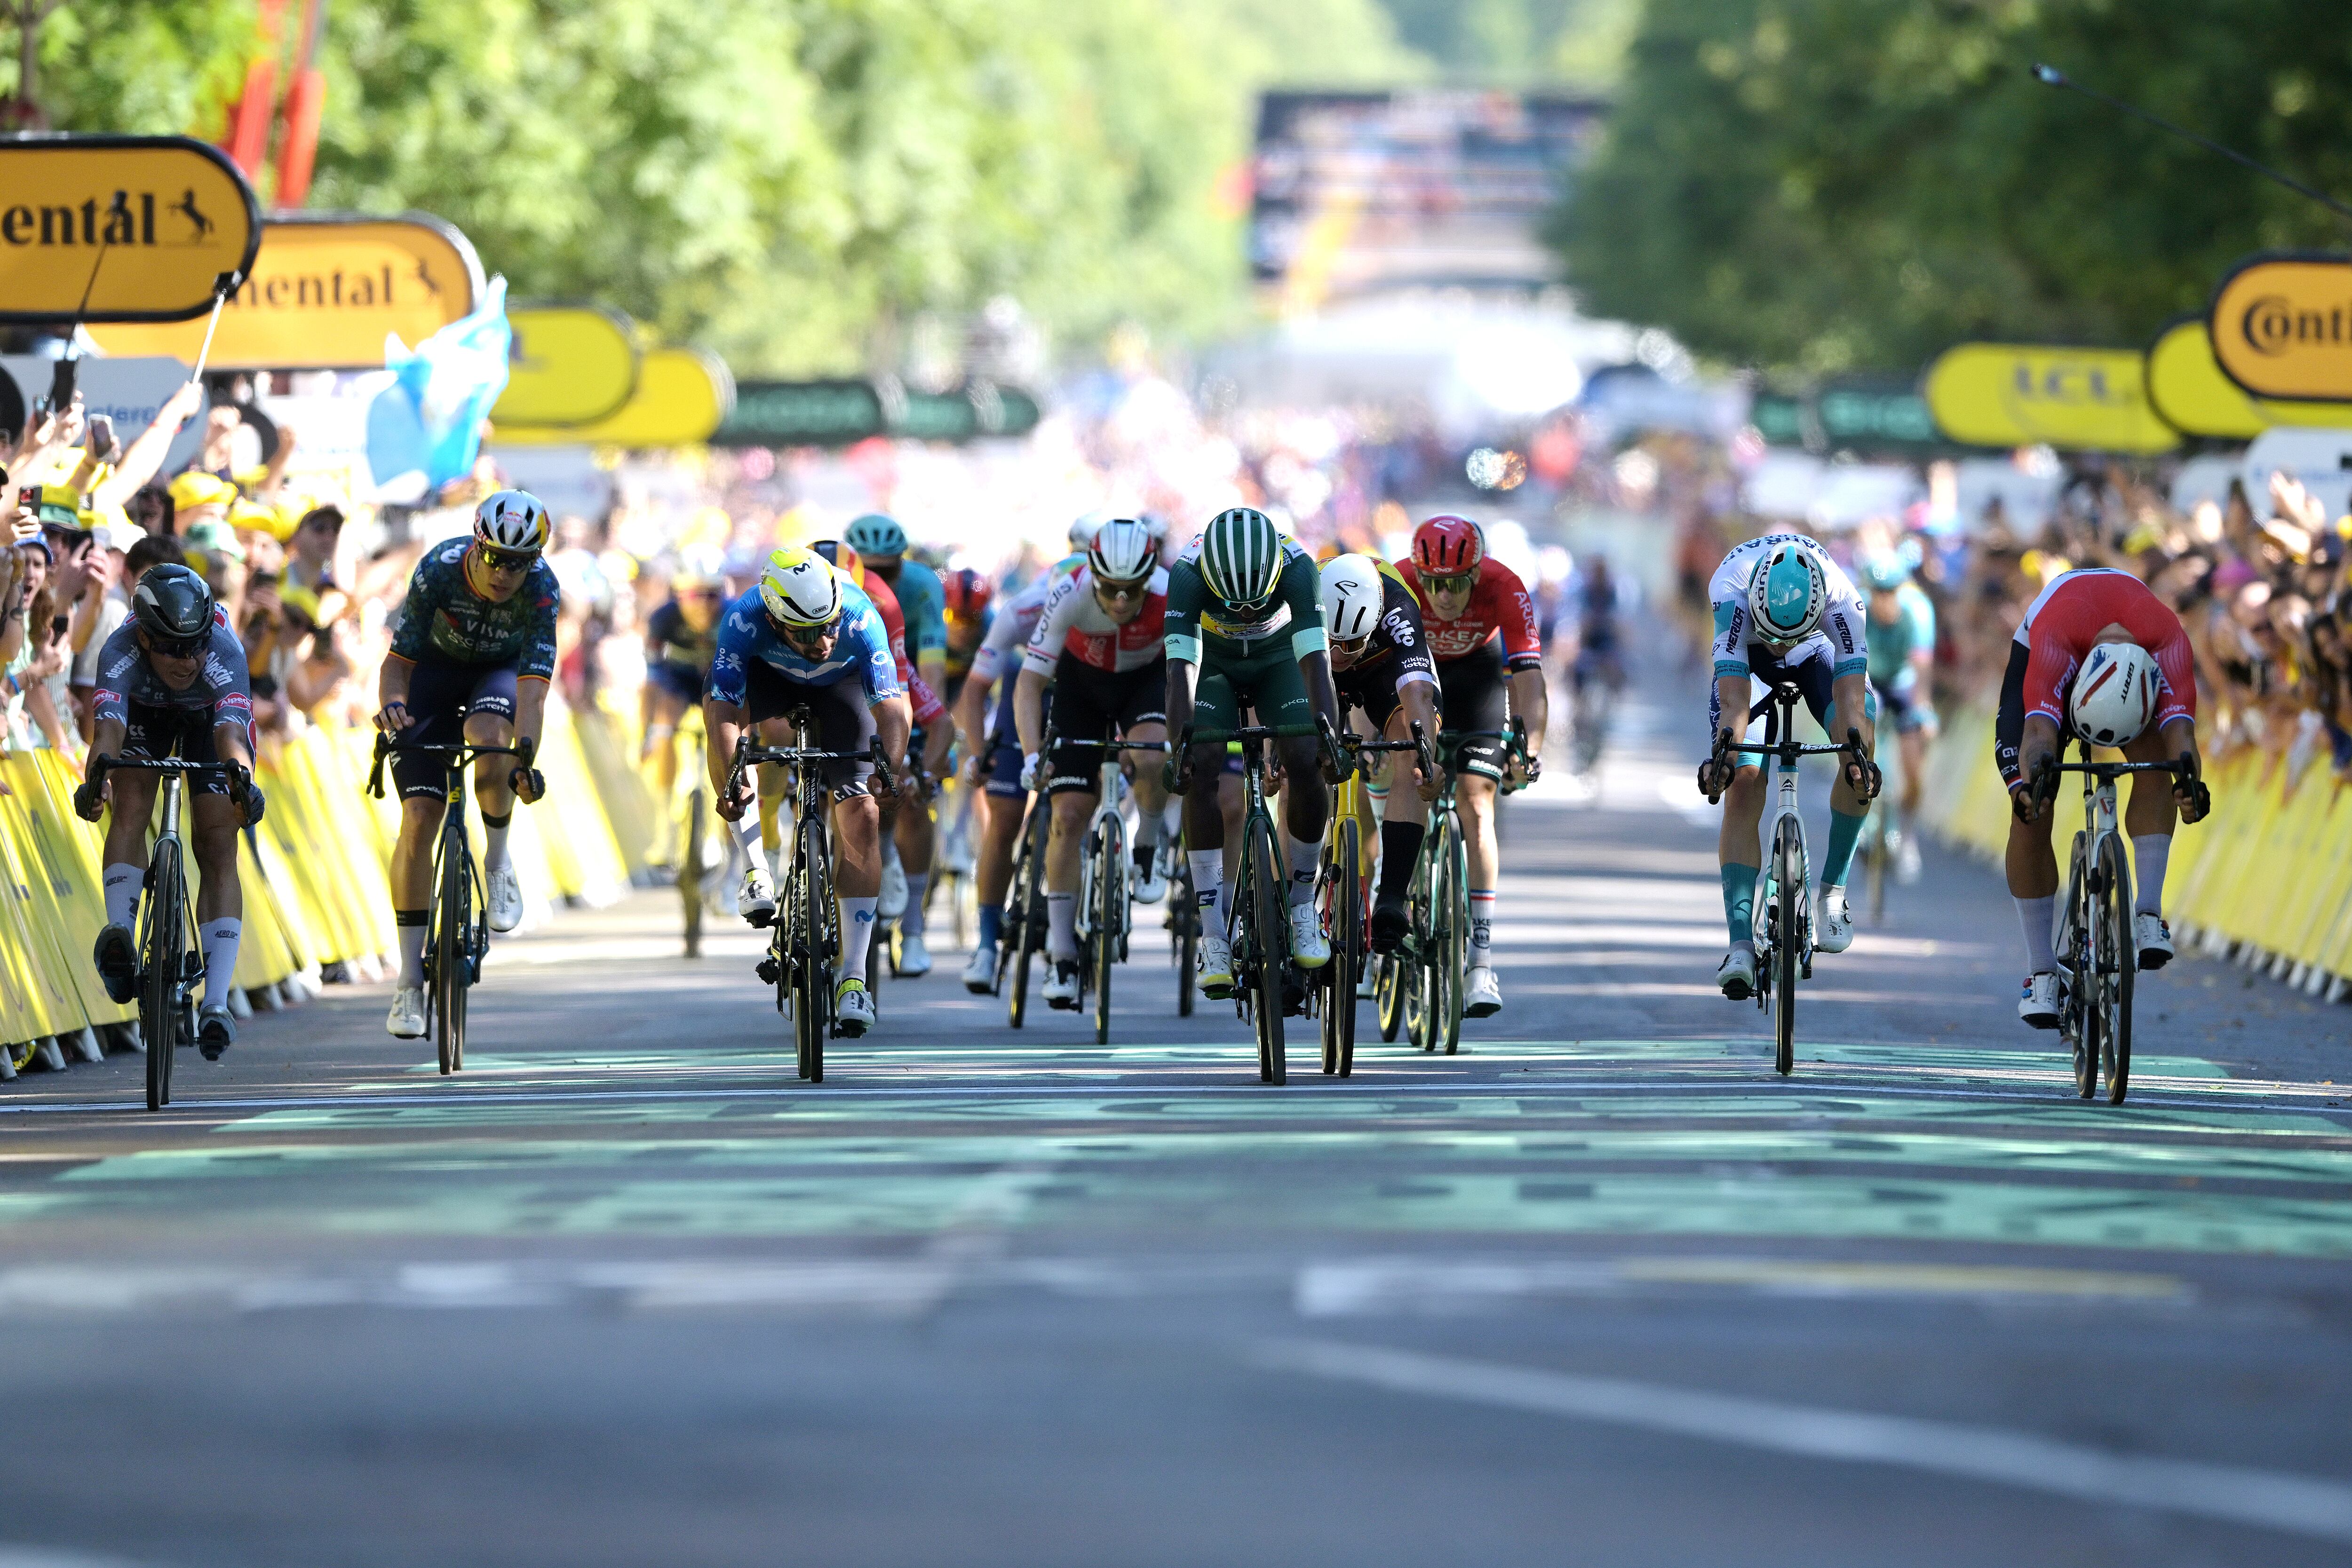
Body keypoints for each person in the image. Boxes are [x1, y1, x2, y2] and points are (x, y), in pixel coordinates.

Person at [705, 547, 917, 1036]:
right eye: (806, 632)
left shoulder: (861, 616)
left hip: (840, 691)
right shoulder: (744, 618)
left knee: (861, 814)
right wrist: (728, 776)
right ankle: (755, 868)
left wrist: (889, 768)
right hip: (770, 683)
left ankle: (854, 978)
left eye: (829, 626)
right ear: (776, 621)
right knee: (733, 749)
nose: (823, 640)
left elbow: (890, 708)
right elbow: (722, 709)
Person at [374, 491, 560, 1040]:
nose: (507, 573)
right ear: (479, 547)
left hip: (497, 677)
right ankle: (409, 981)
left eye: (521, 562)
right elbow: (397, 663)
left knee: (490, 736)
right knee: (419, 819)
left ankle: (498, 862)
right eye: (498, 558)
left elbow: (533, 695)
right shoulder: (438, 569)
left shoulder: (544, 590)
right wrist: (392, 708)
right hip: (432, 673)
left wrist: (524, 761)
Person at [1999, 566, 2209, 1027]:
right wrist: (2033, 782)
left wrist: (2188, 785)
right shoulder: (2056, 636)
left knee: (2158, 764)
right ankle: (2040, 972)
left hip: (2129, 662)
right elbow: (2035, 732)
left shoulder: (2165, 639)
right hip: (2050, 655)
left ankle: (2148, 914)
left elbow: (2181, 736)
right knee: (2031, 809)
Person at [76, 564, 263, 1059]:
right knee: (132, 799)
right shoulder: (119, 651)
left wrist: (242, 781)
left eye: (197, 644)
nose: (189, 659)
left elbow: (231, 738)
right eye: (174, 648)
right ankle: (120, 931)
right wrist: (95, 781)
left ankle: (216, 1003)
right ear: (145, 639)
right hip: (144, 714)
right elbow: (107, 736)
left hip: (209, 722)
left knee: (219, 840)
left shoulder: (223, 652)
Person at [1163, 506, 1344, 997]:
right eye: (1233, 604)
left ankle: (1303, 905)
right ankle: (1213, 934)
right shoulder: (1185, 575)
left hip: (1277, 659)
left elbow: (1315, 660)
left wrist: (1326, 734)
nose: (1244, 613)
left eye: (1255, 604)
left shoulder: (1298, 568)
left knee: (1305, 758)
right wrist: (1178, 747)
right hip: (1213, 667)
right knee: (1199, 768)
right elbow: (1179, 671)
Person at [1696, 533, 1880, 1001]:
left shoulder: (1843, 601)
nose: (1779, 647)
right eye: (1773, 635)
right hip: (1748, 663)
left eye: (1786, 637)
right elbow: (1735, 701)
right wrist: (1724, 756)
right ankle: (1739, 944)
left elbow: (1850, 701)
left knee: (1859, 752)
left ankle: (1831, 891)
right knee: (1743, 776)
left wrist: (1855, 757)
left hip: (1815, 651)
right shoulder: (1730, 591)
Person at [1012, 518, 1171, 1008]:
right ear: (1092, 575)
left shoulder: (1171, 596)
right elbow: (1028, 684)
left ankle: (1146, 840)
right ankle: (1062, 956)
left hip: (1145, 680)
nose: (1121, 601)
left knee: (1151, 754)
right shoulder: (1069, 592)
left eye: (1132, 591)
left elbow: (1190, 675)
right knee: (1065, 817)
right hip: (1080, 686)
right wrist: (1033, 754)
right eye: (1110, 590)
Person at [1396, 515, 1549, 1018]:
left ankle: (1480, 962)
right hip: (1419, 678)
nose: (1443, 596)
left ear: (1476, 574)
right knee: (1404, 776)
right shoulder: (1396, 581)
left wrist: (1529, 750)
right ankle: (1385, 895)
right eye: (1434, 584)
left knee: (1477, 800)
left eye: (1457, 583)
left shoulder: (1505, 585)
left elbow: (1528, 677)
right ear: (1419, 575)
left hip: (1478, 682)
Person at [953, 520, 1094, 992]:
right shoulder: (1020, 610)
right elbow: (975, 691)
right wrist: (979, 755)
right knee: (1005, 818)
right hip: (1026, 699)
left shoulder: (1100, 608)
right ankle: (987, 943)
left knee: (1074, 812)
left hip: (1081, 698)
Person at [811, 537, 953, 976]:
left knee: (905, 796)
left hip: (875, 697)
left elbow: (920, 711)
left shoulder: (878, 613)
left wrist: (918, 772)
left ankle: (912, 926)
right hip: (820, 707)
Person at [1320, 553, 1442, 947]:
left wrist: (1428, 761)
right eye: (1333, 642)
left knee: (1410, 753)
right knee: (1301, 760)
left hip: (1382, 666)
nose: (1340, 654)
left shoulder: (1397, 605)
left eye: (1350, 642)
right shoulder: (1302, 598)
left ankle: (1391, 895)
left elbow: (1418, 693)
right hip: (1312, 664)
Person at [639, 572, 726, 868]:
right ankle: (665, 828)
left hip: (718, 679)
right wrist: (648, 735)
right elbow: (652, 681)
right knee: (664, 719)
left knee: (727, 735)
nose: (702, 605)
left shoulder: (734, 614)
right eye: (693, 596)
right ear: (678, 596)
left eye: (711, 596)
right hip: (679, 680)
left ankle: (717, 833)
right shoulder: (662, 618)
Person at [1861, 551, 1937, 883]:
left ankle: (1907, 833)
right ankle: (1864, 823)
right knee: (1859, 733)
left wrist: (1925, 711)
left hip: (1905, 683)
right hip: (1871, 680)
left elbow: (1922, 669)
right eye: (1879, 592)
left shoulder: (1918, 612)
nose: (1885, 600)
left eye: (1891, 592)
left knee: (1913, 766)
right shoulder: (1859, 610)